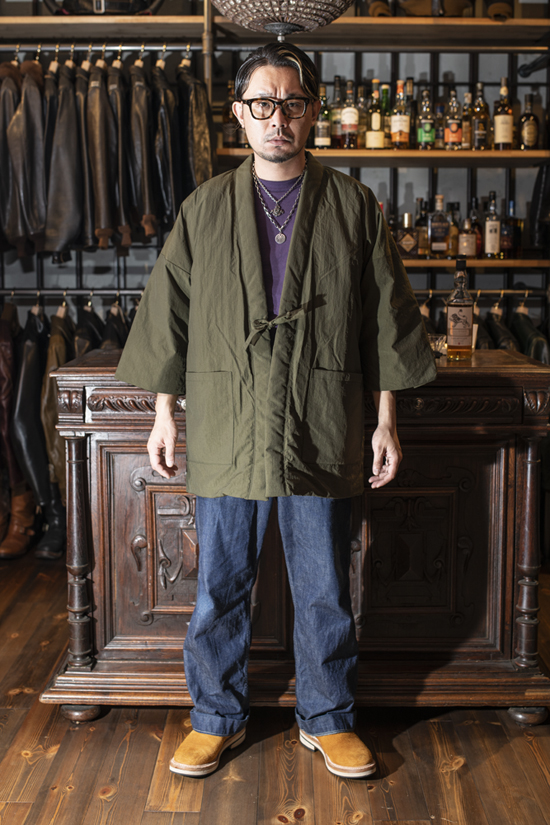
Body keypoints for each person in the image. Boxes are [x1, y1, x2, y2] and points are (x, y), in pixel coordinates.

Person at [116, 43, 436, 781]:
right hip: (228, 415)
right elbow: (169, 316)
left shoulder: (352, 205)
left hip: (321, 413)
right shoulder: (204, 207)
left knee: (324, 584)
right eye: (262, 103)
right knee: (219, 584)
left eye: (291, 103)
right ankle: (214, 717)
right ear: (239, 113)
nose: (277, 118)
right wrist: (163, 412)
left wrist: (386, 419)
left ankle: (328, 718)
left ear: (313, 110)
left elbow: (384, 318)